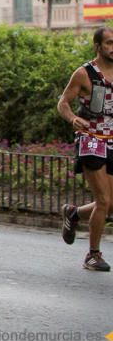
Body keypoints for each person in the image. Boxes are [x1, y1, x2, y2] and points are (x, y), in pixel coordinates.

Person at [57, 26, 113, 271]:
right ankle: (93, 255)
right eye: (110, 43)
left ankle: (73, 214)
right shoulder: (85, 73)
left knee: (111, 203)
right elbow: (63, 103)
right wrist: (72, 119)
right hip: (91, 139)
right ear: (98, 46)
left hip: (112, 138)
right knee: (103, 201)